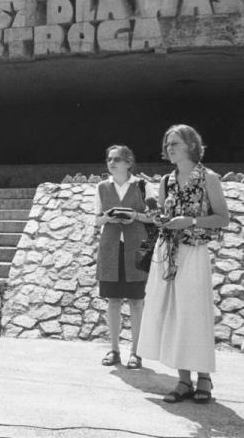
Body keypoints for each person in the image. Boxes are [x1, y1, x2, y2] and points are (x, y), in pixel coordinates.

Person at [137, 124, 229, 404]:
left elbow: (223, 218)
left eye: (174, 143)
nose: (169, 148)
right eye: (167, 145)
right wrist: (159, 219)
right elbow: (165, 215)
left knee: (195, 314)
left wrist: (189, 221)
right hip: (167, 253)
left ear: (191, 145)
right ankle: (183, 380)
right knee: (173, 314)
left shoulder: (208, 178)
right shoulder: (166, 181)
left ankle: (204, 378)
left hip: (194, 252)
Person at [94, 145, 154, 369]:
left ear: (129, 162)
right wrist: (107, 217)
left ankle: (136, 353)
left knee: (137, 301)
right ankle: (114, 350)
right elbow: (96, 220)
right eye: (109, 158)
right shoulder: (101, 187)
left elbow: (154, 217)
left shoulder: (143, 185)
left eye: (117, 159)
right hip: (110, 248)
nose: (111, 162)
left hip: (137, 248)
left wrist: (134, 216)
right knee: (113, 301)